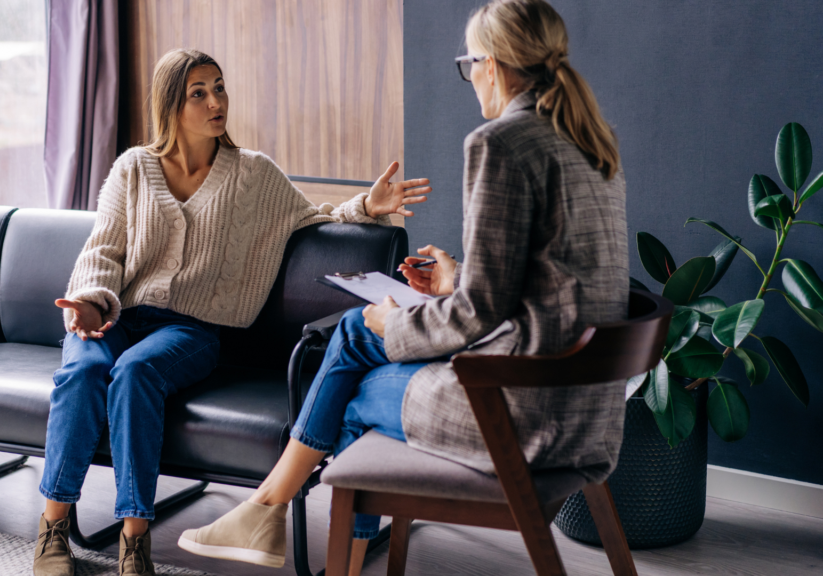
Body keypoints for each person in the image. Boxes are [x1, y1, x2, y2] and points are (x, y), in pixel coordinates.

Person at [177, 1, 629, 574]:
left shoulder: (502, 143)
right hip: (585, 409)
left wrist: (398, 322)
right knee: (351, 340)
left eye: (469, 66)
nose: (472, 80)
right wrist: (455, 280)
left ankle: (275, 515)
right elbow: (556, 286)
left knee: (350, 390)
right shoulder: (592, 142)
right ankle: (269, 514)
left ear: (492, 65)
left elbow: (478, 316)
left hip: (518, 412)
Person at [32, 48, 431, 576]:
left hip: (189, 330)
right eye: (199, 92)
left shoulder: (252, 174)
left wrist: (364, 207)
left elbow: (311, 217)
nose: (216, 101)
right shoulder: (134, 167)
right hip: (117, 315)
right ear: (171, 104)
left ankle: (134, 539)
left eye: (219, 87)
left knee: (134, 373)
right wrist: (89, 301)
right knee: (82, 371)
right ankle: (53, 528)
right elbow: (103, 250)